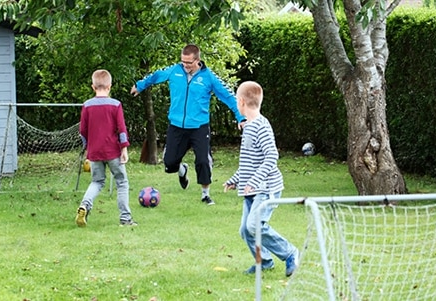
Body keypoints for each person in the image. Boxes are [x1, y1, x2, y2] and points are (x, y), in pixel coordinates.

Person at [130, 44, 245, 205]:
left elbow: (228, 97)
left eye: (189, 63)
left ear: (197, 60)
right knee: (169, 164)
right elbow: (156, 75)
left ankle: (205, 194)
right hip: (177, 126)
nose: (185, 66)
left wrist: (241, 117)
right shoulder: (175, 70)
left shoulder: (209, 77)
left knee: (203, 161)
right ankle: (181, 169)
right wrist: (140, 85)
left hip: (199, 127)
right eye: (183, 62)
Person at [223, 81, 299, 276]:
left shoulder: (261, 126)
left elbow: (272, 156)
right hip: (252, 189)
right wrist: (235, 179)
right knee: (245, 230)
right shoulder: (248, 126)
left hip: (266, 188)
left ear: (240, 102)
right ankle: (264, 262)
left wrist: (254, 182)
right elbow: (249, 163)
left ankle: (290, 253)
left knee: (254, 225)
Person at [75, 69, 137, 227]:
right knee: (121, 182)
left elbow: (82, 130)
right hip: (113, 151)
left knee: (96, 182)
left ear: (93, 87)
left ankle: (85, 205)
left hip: (95, 151)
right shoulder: (115, 105)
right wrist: (124, 149)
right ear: (109, 86)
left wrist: (88, 147)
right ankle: (125, 218)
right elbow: (121, 129)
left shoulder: (87, 106)